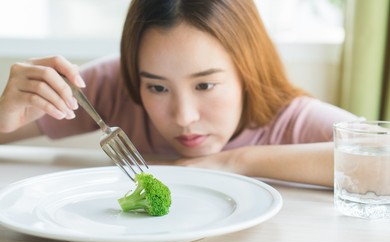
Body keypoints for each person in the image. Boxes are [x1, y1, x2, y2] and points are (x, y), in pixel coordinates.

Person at [0, 0, 358, 186]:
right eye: (157, 87)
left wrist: (237, 161)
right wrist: (4, 114)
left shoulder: (289, 118)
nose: (184, 117)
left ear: (248, 70)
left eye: (205, 85)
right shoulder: (114, 84)